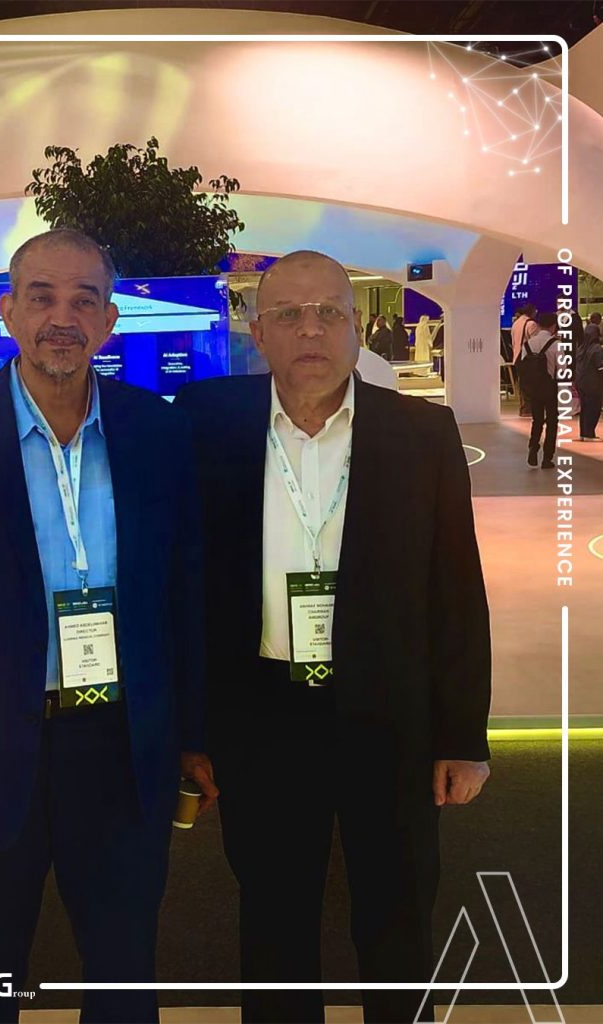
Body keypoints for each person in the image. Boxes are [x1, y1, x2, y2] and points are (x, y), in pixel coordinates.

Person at [0, 228, 217, 1024]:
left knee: (124, 978)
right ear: (9, 312)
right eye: (41, 297)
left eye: (84, 300)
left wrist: (193, 735)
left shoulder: (158, 431)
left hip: (120, 751)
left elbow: (183, 596)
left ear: (108, 321)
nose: (62, 318)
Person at [174, 250, 491, 1024]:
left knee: (397, 917)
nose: (309, 329)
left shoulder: (421, 432)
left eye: (327, 313)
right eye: (287, 314)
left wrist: (462, 736)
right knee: (272, 922)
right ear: (257, 333)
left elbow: (455, 592)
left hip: (390, 717)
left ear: (356, 328)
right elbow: (181, 583)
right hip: (262, 716)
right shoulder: (205, 420)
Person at [519, 311, 559, 468]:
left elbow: (524, 366)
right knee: (552, 421)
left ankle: (533, 447)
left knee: (537, 420)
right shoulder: (555, 344)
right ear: (553, 326)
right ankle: (547, 457)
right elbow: (562, 368)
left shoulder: (528, 344)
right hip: (549, 387)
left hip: (533, 388)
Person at [576, 315, 603, 441]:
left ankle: (583, 433)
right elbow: (600, 367)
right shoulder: (597, 349)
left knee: (584, 408)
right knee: (594, 408)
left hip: (581, 382)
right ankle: (589, 433)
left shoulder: (581, 348)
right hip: (594, 384)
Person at [511, 304, 538, 417]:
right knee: (530, 384)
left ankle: (524, 408)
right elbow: (535, 342)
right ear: (532, 312)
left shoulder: (516, 323)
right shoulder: (531, 324)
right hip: (527, 358)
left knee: (522, 384)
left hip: (517, 356)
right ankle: (529, 408)